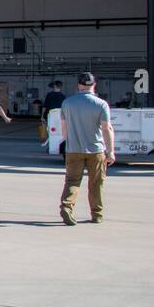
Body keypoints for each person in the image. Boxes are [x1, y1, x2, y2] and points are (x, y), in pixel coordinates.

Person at [59, 72, 115, 225]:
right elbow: (106, 128)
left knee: (72, 181)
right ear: (94, 85)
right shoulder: (101, 104)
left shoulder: (67, 103)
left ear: (78, 85)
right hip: (95, 150)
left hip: (73, 149)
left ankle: (66, 207)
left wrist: (69, 141)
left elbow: (64, 129)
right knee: (96, 183)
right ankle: (97, 214)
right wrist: (110, 151)